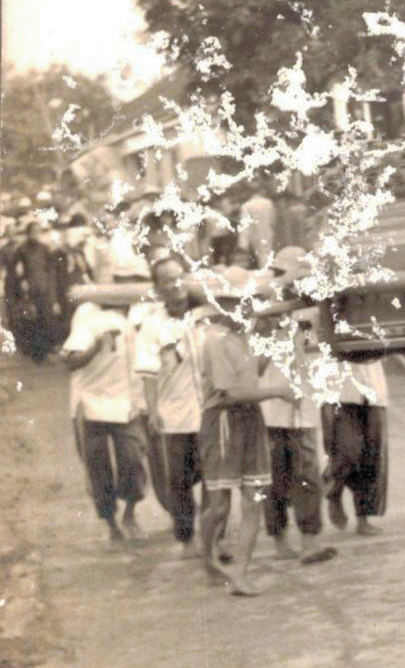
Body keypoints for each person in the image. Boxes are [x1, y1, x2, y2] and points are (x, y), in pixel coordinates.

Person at [194, 272, 288, 596]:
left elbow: (252, 375)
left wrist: (274, 343)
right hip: (222, 421)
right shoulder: (215, 339)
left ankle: (239, 573)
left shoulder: (241, 337)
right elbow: (232, 394)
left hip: (249, 419)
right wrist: (278, 391)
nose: (248, 308)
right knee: (219, 505)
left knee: (254, 499)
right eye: (241, 302)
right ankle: (205, 554)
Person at [134, 255, 206, 552]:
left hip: (209, 411)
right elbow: (148, 374)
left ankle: (214, 536)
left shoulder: (206, 313)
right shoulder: (151, 326)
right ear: (157, 288)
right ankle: (187, 539)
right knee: (179, 481)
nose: (176, 285)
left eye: (180, 277)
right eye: (167, 280)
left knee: (215, 476)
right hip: (173, 413)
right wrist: (152, 412)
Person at [62, 300, 146, 543]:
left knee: (133, 460)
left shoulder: (143, 310)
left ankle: (130, 514)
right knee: (97, 467)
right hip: (90, 402)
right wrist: (96, 346)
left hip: (126, 399)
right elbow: (70, 360)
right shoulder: (89, 314)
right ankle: (111, 524)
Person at [259, 309, 337, 565]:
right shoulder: (259, 322)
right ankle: (280, 541)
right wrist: (271, 328)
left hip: (305, 413)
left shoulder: (311, 316)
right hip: (270, 413)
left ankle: (309, 541)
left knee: (308, 478)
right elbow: (254, 367)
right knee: (274, 481)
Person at [324, 353, 405, 537]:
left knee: (372, 457)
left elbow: (386, 341)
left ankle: (363, 519)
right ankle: (333, 491)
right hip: (341, 390)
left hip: (373, 390)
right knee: (346, 452)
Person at [6, 220, 62, 364]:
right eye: (32, 232)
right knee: (33, 320)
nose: (35, 235)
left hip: (44, 288)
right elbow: (13, 270)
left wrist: (52, 291)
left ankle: (45, 351)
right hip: (30, 291)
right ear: (28, 233)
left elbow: (51, 270)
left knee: (45, 319)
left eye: (38, 232)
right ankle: (38, 354)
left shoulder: (44, 248)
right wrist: (21, 281)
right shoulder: (21, 249)